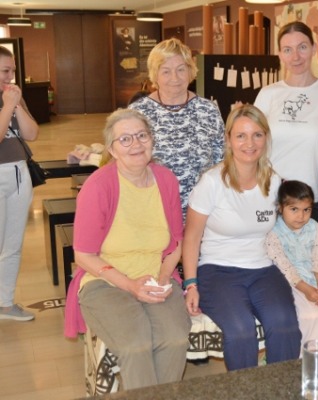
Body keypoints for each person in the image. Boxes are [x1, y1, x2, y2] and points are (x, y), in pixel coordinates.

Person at [66, 109, 191, 390]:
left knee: (175, 338)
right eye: (125, 139)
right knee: (136, 344)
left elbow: (176, 242)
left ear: (152, 140)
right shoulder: (98, 186)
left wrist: (163, 277)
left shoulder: (166, 179)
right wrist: (131, 285)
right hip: (105, 281)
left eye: (141, 135)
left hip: (155, 276)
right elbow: (83, 255)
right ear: (111, 149)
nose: (136, 144)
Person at [182, 104, 301, 371]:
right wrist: (191, 284)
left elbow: (286, 229)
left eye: (257, 135)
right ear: (228, 140)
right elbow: (191, 238)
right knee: (240, 331)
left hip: (262, 269)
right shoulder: (211, 182)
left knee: (284, 325)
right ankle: (244, 390)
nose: (250, 143)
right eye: (241, 136)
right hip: (218, 270)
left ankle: (282, 387)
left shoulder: (274, 181)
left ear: (266, 139)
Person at [254, 21, 318, 219]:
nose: (296, 57)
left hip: (307, 201)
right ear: (280, 54)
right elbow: (253, 148)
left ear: (314, 48)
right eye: (288, 50)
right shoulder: (268, 94)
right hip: (268, 197)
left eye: (302, 47)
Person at [129, 38, 224, 219]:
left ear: (190, 71)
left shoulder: (208, 110)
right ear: (155, 75)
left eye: (181, 69)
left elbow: (221, 162)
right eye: (166, 71)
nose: (175, 78)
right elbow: (127, 165)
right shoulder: (138, 113)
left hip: (202, 214)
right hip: (152, 213)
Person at [265, 180, 318, 351]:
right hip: (290, 283)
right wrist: (306, 289)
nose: (301, 216)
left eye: (306, 210)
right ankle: (303, 356)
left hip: (314, 280)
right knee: (310, 315)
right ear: (280, 207)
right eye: (294, 209)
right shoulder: (273, 232)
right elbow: (283, 267)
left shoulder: (314, 228)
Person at [0, 45, 39, 322]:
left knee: (13, 243)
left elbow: (32, 133)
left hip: (19, 172)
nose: (11, 76)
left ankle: (5, 303)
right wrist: (8, 106)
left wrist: (17, 104)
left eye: (12, 70)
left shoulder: (14, 95)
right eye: (5, 70)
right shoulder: (8, 100)